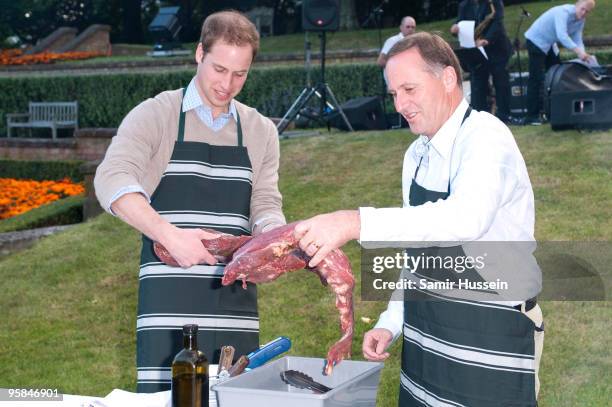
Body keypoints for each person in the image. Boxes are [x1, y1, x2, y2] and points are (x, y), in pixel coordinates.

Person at [294, 32, 544, 406]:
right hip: (427, 338)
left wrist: (354, 221)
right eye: (395, 94)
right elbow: (420, 252)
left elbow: (465, 218)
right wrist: (391, 322)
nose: (400, 104)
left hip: (489, 334)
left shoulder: (486, 138)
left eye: (409, 89)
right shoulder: (416, 155)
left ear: (446, 78)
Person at [94, 10, 285, 392]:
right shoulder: (156, 114)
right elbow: (111, 179)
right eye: (219, 69)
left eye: (240, 74)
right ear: (199, 53)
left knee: (233, 397)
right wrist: (168, 235)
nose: (227, 84)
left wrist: (273, 235)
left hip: (236, 298)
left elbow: (264, 201)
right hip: (169, 296)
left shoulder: (260, 130)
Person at [523, 0, 596, 125]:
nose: (584, 13)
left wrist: (583, 54)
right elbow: (562, 36)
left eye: (587, 12)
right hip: (536, 40)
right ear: (576, 5)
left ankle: (553, 112)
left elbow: (577, 38)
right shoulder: (562, 12)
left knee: (556, 76)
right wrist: (579, 52)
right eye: (582, 9)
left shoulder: (580, 20)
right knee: (536, 78)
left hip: (550, 44)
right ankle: (531, 116)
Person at [472, 0, 514, 123]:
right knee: (482, 84)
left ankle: (504, 116)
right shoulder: (480, 5)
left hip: (499, 50)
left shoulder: (495, 3)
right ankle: (482, 115)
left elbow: (497, 23)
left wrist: (487, 39)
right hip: (485, 50)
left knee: (501, 84)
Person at [450, 0, 490, 113]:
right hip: (472, 48)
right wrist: (454, 28)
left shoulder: (489, 3)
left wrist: (485, 39)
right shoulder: (464, 5)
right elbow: (459, 23)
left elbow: (494, 23)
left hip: (489, 47)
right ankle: (477, 110)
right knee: (476, 82)